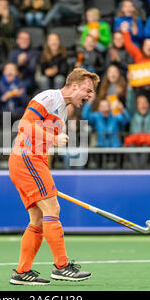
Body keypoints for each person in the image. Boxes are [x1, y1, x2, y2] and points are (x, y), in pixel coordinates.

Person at [8, 68, 99, 285]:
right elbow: (24, 124)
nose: (89, 95)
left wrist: (46, 178)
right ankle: (61, 266)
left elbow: (44, 145)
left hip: (32, 162)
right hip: (27, 159)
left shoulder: (63, 111)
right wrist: (52, 138)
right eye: (87, 90)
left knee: (38, 218)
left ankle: (22, 272)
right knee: (52, 209)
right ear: (74, 85)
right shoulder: (49, 98)